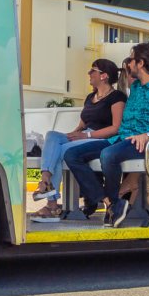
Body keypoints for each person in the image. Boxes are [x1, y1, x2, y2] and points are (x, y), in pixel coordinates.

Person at [63, 43, 149, 228]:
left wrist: (148, 134)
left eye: (131, 61)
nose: (128, 66)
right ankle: (111, 202)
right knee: (72, 155)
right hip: (121, 139)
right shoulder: (136, 88)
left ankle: (115, 203)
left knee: (108, 155)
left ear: (140, 63)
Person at [31, 59, 126, 222]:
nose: (89, 74)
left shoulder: (117, 97)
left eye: (92, 71)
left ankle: (51, 204)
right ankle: (46, 180)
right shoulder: (90, 97)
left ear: (103, 76)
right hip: (84, 135)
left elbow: (115, 128)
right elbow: (81, 126)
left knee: (61, 151)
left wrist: (86, 136)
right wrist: (70, 136)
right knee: (53, 136)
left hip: (100, 138)